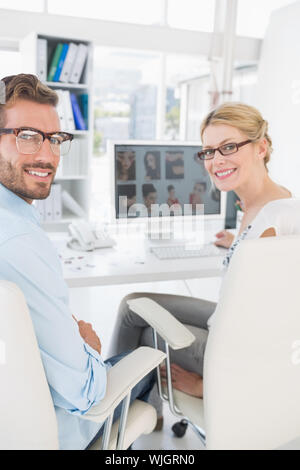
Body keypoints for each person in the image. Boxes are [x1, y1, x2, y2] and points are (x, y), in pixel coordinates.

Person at [113, 102, 300, 429]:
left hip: (230, 348)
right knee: (133, 305)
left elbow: (272, 330)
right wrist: (236, 241)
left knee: (142, 331)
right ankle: (138, 412)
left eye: (228, 147)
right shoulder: (264, 204)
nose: (216, 161)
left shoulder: (275, 220)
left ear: (262, 147)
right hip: (225, 318)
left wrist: (206, 384)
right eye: (208, 152)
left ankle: (116, 417)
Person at [0, 74, 155, 450]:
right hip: (50, 428)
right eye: (26, 135)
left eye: (55, 139)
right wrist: (87, 343)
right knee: (147, 359)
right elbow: (84, 392)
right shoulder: (20, 241)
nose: (47, 155)